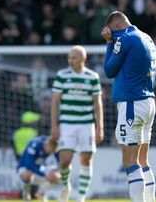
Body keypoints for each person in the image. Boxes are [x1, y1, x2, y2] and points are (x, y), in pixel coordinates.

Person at [101, 11, 156, 202]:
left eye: (112, 33)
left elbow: (109, 70)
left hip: (132, 103)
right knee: (143, 161)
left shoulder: (124, 38)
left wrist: (109, 43)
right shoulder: (147, 37)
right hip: (148, 102)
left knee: (130, 162)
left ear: (116, 27)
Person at [50, 45, 104, 202]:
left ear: (83, 59)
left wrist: (100, 127)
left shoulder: (92, 77)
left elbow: (98, 104)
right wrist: (54, 125)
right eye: (69, 57)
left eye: (74, 57)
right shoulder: (62, 75)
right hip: (67, 123)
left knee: (86, 160)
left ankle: (81, 197)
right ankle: (66, 186)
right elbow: (55, 102)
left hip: (87, 124)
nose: (70, 60)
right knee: (65, 159)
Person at [17, 135, 60, 202]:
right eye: (51, 151)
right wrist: (45, 174)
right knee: (28, 174)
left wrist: (55, 171)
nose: (51, 153)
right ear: (47, 145)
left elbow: (59, 161)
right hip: (25, 167)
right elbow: (29, 165)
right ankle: (26, 192)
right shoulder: (34, 144)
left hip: (41, 168)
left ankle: (41, 193)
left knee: (57, 176)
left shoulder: (53, 144)